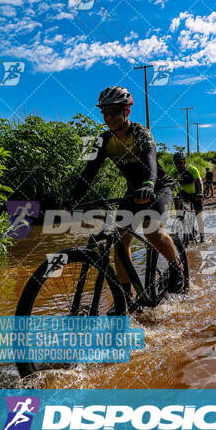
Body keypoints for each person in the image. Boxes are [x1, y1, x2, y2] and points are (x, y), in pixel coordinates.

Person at [69, 86, 185, 310]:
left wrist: (149, 185)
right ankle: (125, 297)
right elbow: (88, 173)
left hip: (158, 186)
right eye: (104, 113)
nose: (108, 118)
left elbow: (150, 161)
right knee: (119, 241)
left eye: (113, 112)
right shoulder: (102, 141)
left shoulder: (140, 132)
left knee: (153, 230)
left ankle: (176, 265)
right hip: (134, 191)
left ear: (126, 111)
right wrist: (71, 199)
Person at [169, 151, 205, 243]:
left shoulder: (192, 169)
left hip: (196, 193)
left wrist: (200, 192)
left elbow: (199, 181)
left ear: (184, 161)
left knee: (198, 215)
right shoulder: (174, 172)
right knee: (179, 203)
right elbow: (167, 183)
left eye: (180, 162)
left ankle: (202, 237)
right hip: (185, 193)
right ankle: (181, 218)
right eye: (176, 163)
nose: (178, 165)